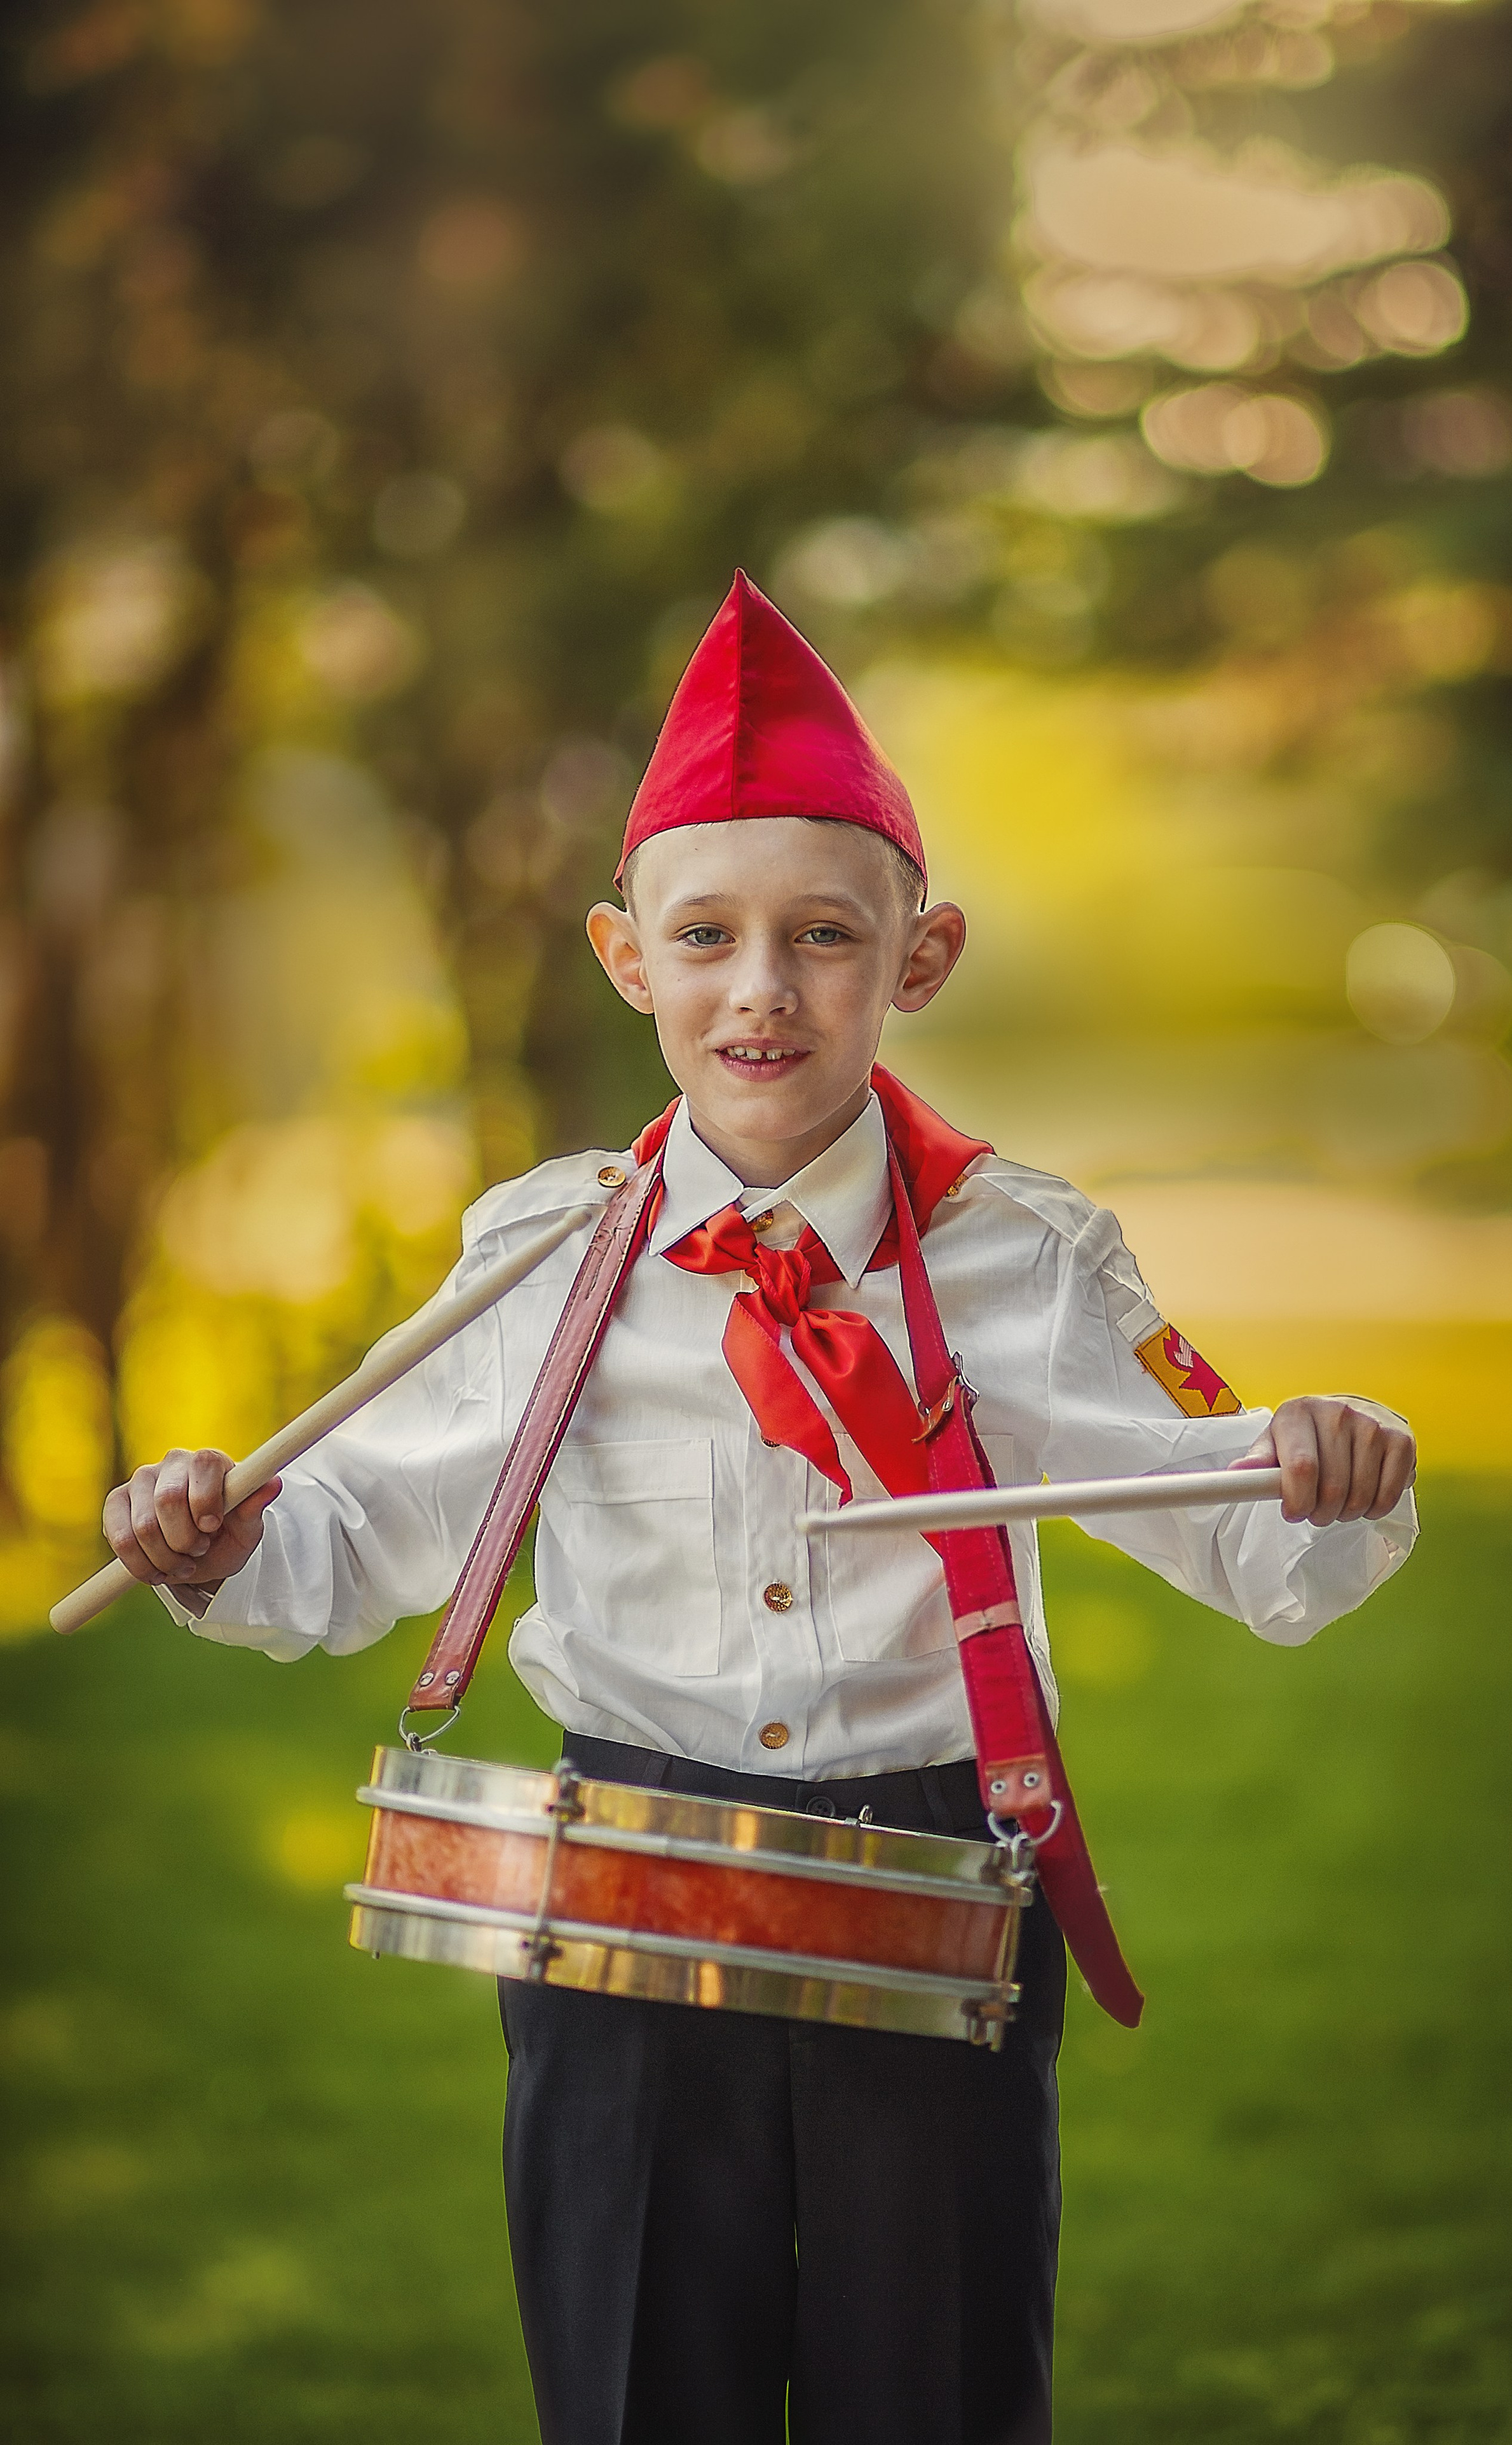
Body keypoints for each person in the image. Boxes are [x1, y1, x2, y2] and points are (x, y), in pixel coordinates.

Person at [104, 571, 1417, 2445]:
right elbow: (355, 1537)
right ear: (625, 955)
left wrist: (1325, 1469)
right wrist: (229, 1539)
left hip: (932, 1901)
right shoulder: (539, 1257)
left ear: (921, 955)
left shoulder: (1022, 1258)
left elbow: (1247, 1527)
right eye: (705, 935)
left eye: (822, 936)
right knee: (647, 2397)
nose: (761, 989)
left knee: (938, 2397)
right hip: (623, 1918)